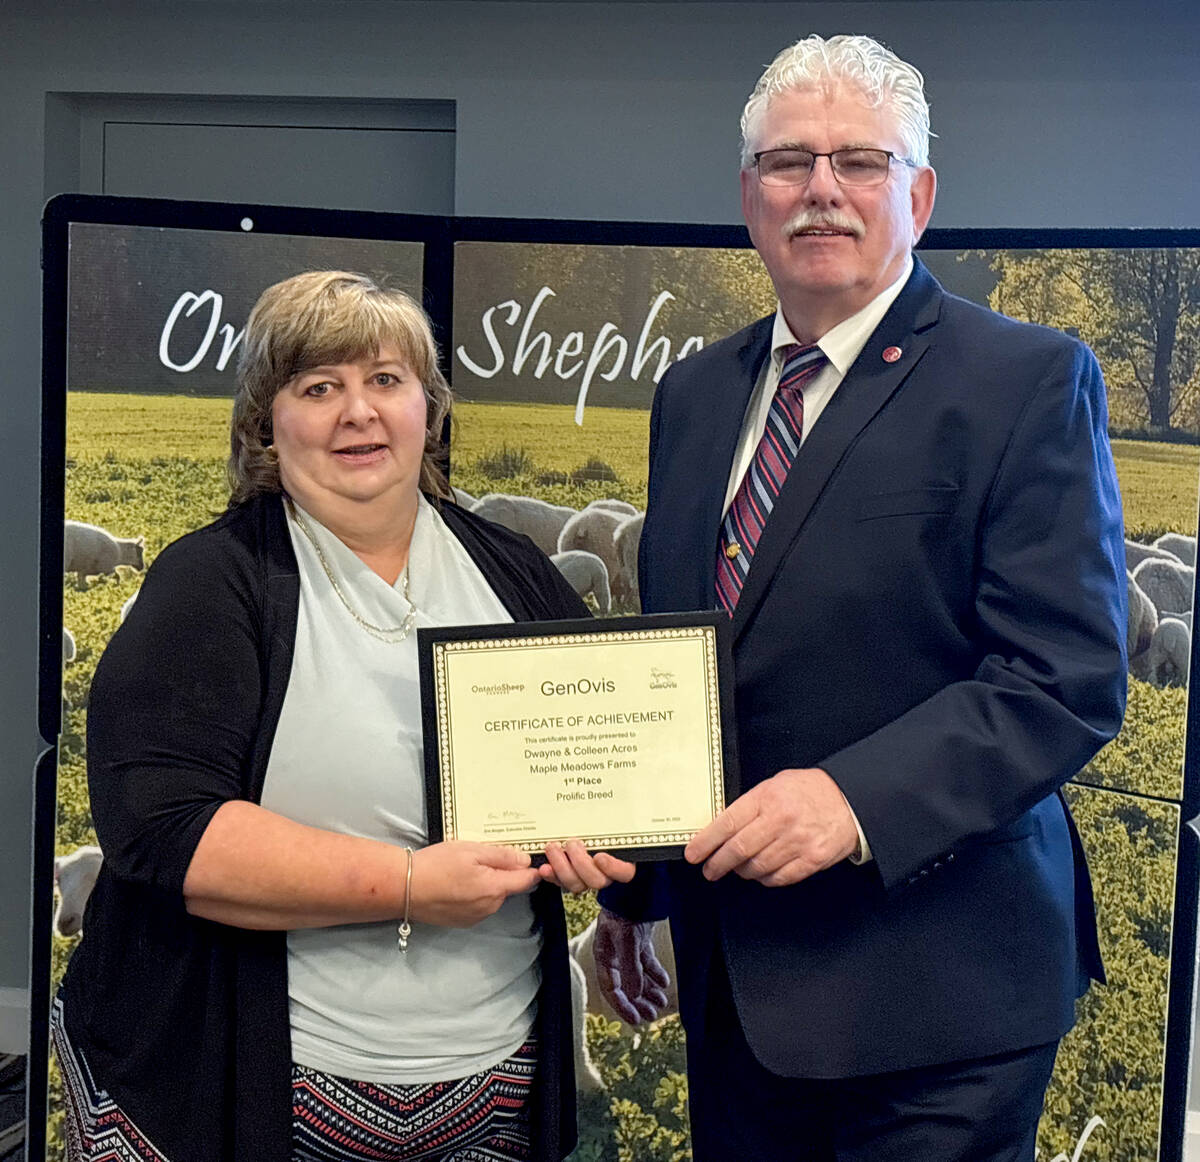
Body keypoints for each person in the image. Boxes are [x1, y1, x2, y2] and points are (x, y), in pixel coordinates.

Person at [596, 33, 1127, 1162]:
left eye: (861, 162)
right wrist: (637, 892)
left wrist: (852, 800)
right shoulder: (693, 395)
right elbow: (681, 665)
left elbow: (1065, 677)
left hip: (939, 995)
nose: (821, 189)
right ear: (750, 196)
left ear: (919, 194)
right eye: (788, 162)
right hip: (741, 992)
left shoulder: (1024, 380)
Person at [53, 270, 631, 1162]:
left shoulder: (516, 574)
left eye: (385, 381)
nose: (357, 412)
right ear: (264, 422)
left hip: (495, 1097)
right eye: (319, 387)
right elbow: (166, 833)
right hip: (243, 1093)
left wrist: (598, 831)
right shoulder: (207, 586)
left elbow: (596, 763)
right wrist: (409, 885)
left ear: (428, 409)